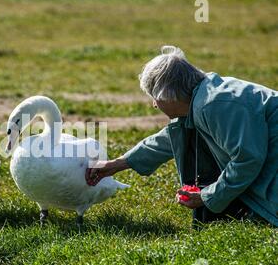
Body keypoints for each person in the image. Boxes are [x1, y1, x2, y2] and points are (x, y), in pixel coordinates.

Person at [85, 45, 278, 228]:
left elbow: (247, 159)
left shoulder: (213, 105)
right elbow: (171, 138)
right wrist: (117, 164)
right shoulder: (203, 97)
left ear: (167, 94)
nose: (154, 104)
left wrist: (207, 196)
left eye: (155, 97)